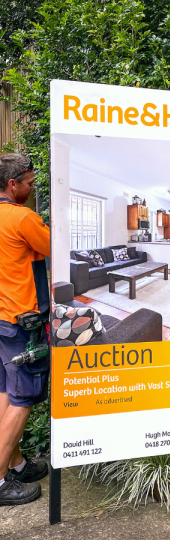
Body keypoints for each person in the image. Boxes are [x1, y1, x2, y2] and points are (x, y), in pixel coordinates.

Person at [0, 154, 50, 505]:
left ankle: (15, 464)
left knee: (4, 395)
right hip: (22, 324)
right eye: (30, 184)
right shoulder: (22, 218)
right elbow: (56, 248)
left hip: (2, 321)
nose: (33, 189)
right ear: (12, 183)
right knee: (22, 400)